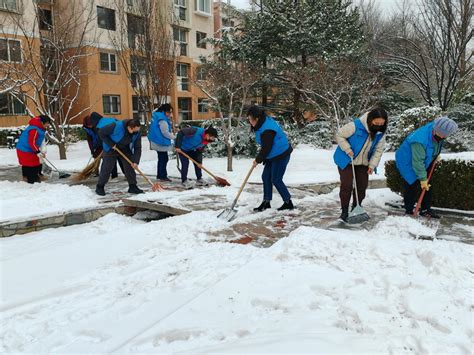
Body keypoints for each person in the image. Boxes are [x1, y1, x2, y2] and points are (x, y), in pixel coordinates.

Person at [395, 116, 458, 218]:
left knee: (427, 185)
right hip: (408, 161)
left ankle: (425, 209)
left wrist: (434, 154)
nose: (443, 137)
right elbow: (418, 162)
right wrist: (422, 179)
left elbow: (434, 144)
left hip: (424, 159)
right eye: (442, 134)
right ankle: (409, 210)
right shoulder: (419, 140)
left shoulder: (437, 131)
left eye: (445, 135)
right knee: (412, 184)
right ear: (436, 129)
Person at [333, 108, 388, 222]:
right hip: (347, 159)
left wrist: (372, 165)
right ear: (370, 119)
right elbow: (339, 135)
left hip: (363, 162)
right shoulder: (356, 125)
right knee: (347, 185)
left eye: (381, 124)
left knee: (362, 185)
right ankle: (344, 211)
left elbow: (378, 150)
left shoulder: (380, 133)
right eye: (376, 123)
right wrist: (347, 149)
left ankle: (356, 207)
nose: (379, 126)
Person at [247, 105, 294, 212]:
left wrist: (258, 160)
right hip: (272, 155)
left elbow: (266, 148)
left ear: (257, 118)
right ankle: (266, 202)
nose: (249, 121)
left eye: (250, 119)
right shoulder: (261, 122)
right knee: (266, 177)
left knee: (276, 179)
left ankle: (288, 202)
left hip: (281, 154)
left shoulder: (267, 129)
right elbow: (266, 147)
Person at [95, 117, 143, 196]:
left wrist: (135, 161)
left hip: (124, 148)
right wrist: (111, 144)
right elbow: (101, 133)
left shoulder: (137, 132)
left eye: (137, 130)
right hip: (111, 147)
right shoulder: (116, 126)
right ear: (129, 128)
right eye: (134, 131)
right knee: (107, 167)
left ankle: (132, 186)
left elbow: (138, 147)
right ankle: (100, 187)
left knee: (129, 166)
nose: (135, 132)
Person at [83, 112, 123, 178]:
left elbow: (102, 136)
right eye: (88, 125)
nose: (90, 126)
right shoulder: (88, 129)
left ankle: (114, 175)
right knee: (97, 159)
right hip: (99, 145)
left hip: (107, 143)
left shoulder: (98, 126)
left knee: (111, 158)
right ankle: (96, 173)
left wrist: (104, 145)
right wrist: (92, 149)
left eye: (90, 125)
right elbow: (90, 140)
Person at [16, 115, 51, 184]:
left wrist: (41, 151)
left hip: (29, 148)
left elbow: (39, 141)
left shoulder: (39, 128)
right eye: (47, 123)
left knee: (34, 163)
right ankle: (31, 180)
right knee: (31, 164)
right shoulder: (34, 129)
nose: (48, 124)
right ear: (41, 122)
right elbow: (31, 142)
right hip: (25, 149)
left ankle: (28, 177)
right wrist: (38, 152)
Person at [148, 103, 175, 182]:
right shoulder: (162, 119)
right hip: (160, 142)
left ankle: (160, 175)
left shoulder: (156, 116)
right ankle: (163, 176)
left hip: (155, 140)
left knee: (161, 158)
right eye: (169, 112)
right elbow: (165, 132)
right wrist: (174, 137)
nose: (170, 114)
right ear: (164, 111)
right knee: (164, 159)